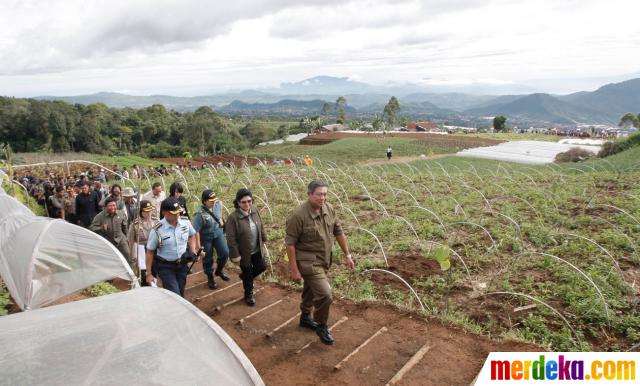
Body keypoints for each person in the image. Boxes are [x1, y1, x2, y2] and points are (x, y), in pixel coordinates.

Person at [285, 180, 355, 345]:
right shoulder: (298, 215)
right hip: (308, 262)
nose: (322, 197)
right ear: (309, 194)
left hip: (324, 259)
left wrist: (347, 254)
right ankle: (321, 325)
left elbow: (338, 231)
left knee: (311, 288)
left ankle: (304, 317)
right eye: (319, 194)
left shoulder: (329, 209)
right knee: (324, 294)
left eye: (325, 194)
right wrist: (294, 269)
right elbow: (290, 243)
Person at [145, 197, 200, 296]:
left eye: (178, 212)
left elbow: (192, 234)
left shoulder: (185, 222)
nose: (177, 215)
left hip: (182, 264)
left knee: (181, 290)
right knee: (175, 293)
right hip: (166, 267)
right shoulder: (158, 229)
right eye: (173, 213)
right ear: (164, 213)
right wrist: (149, 274)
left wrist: (193, 250)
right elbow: (150, 251)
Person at [225, 189, 267, 306]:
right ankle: (248, 295)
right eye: (244, 202)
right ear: (238, 203)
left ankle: (244, 276)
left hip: (256, 248)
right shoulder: (233, 218)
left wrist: (263, 238)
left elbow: (261, 225)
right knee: (248, 273)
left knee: (262, 266)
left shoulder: (254, 211)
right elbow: (231, 238)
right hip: (243, 252)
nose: (247, 204)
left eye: (249, 201)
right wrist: (235, 255)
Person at [193, 189, 230, 289]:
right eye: (211, 201)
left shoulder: (218, 204)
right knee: (208, 258)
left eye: (215, 200)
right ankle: (210, 277)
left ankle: (219, 270)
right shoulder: (199, 214)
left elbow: (220, 214)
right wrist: (198, 246)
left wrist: (221, 220)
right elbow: (195, 230)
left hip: (218, 234)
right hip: (206, 238)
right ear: (204, 201)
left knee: (225, 252)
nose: (214, 202)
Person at [90, 196, 131, 262]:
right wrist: (101, 228)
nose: (112, 207)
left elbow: (124, 227)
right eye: (110, 206)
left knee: (127, 254)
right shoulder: (99, 216)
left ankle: (129, 271)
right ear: (105, 207)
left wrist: (127, 238)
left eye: (114, 205)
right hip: (108, 241)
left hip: (121, 239)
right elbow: (92, 228)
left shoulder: (121, 214)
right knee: (111, 260)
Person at [128, 200, 158, 286]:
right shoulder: (135, 224)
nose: (148, 213)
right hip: (141, 253)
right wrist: (134, 256)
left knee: (154, 273)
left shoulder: (156, 221)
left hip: (154, 252)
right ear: (141, 211)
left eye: (150, 210)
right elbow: (130, 241)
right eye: (146, 211)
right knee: (143, 276)